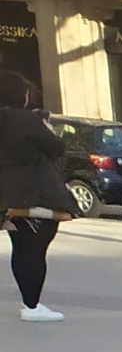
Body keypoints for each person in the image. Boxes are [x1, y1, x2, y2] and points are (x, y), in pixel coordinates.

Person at [0, 70, 75, 321]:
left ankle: (29, 303)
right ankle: (32, 306)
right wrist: (44, 126)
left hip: (8, 195)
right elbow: (56, 148)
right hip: (33, 194)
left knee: (20, 247)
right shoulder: (25, 120)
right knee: (35, 248)